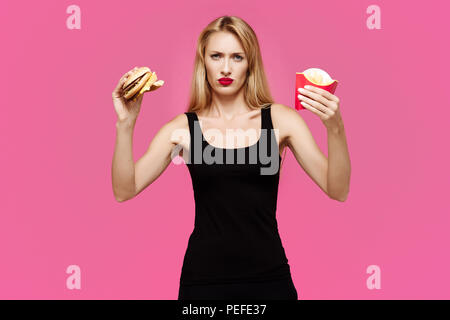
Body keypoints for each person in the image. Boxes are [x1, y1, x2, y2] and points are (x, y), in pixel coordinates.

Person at [111, 16, 351, 300]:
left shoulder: (280, 121)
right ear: (204, 61)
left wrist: (335, 128)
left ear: (251, 64)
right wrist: (126, 124)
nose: (226, 67)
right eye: (216, 56)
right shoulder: (182, 128)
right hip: (203, 282)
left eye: (237, 57)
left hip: (269, 280)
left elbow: (337, 189)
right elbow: (125, 190)